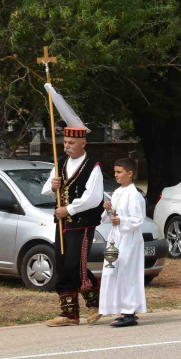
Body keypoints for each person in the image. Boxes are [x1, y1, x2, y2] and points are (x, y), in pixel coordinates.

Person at [42, 125, 105, 327]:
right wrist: (54, 186)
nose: (66, 146)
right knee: (61, 264)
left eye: (71, 143)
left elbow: (94, 197)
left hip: (82, 223)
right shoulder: (60, 163)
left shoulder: (92, 165)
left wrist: (68, 210)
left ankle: (95, 303)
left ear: (83, 143)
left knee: (75, 264)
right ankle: (69, 313)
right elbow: (46, 189)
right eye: (65, 142)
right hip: (62, 223)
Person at [98, 158, 146, 327]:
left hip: (129, 238)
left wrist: (122, 221)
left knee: (127, 273)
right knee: (114, 272)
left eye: (119, 172)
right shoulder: (118, 192)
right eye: (115, 172)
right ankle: (119, 307)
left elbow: (138, 219)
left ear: (130, 173)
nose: (116, 175)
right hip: (116, 238)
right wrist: (108, 209)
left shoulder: (134, 195)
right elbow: (109, 218)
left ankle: (129, 311)